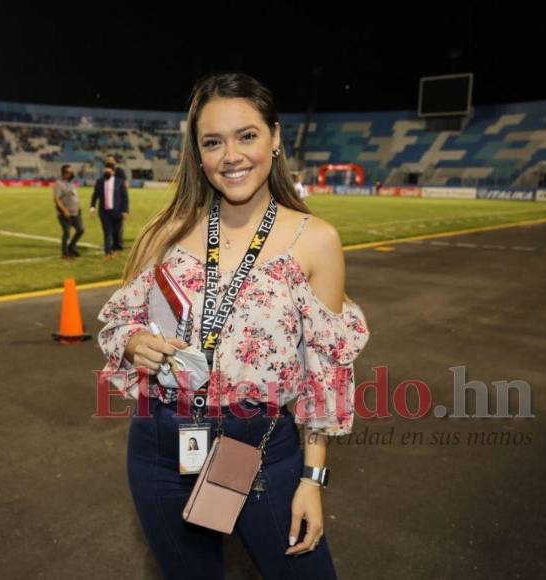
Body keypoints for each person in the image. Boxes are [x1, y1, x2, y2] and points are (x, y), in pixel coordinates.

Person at [96, 72, 370, 579]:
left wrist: (312, 478)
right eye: (213, 142)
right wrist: (135, 342)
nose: (232, 155)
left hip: (262, 449)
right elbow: (119, 321)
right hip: (163, 448)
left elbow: (324, 374)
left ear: (276, 138)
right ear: (198, 155)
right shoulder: (167, 232)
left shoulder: (316, 241)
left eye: (247, 135)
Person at [90, 161, 129, 260]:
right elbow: (94, 196)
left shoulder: (119, 182)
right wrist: (92, 207)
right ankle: (107, 253)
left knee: (116, 233)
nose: (107, 172)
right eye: (105, 170)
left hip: (117, 212)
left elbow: (125, 197)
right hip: (104, 213)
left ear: (113, 171)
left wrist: (125, 211)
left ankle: (115, 249)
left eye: (109, 171)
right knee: (107, 233)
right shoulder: (99, 182)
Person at [53, 164, 85, 260]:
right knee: (67, 233)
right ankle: (65, 254)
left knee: (80, 230)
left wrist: (78, 207)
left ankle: (71, 247)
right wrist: (64, 210)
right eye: (69, 172)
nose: (71, 174)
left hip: (75, 213)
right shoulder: (59, 184)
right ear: (64, 173)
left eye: (72, 172)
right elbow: (56, 199)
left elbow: (74, 196)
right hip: (65, 214)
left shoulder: (71, 183)